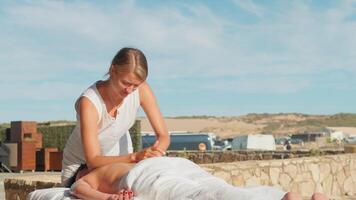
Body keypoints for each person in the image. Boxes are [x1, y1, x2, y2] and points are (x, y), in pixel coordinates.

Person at [61, 47, 170, 188]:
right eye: (125, 83)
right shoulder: (89, 103)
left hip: (122, 161)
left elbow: (163, 136)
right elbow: (93, 161)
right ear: (112, 70)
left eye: (135, 86)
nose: (129, 90)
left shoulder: (142, 89)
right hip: (81, 167)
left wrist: (156, 154)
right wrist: (134, 158)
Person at [71, 157, 329, 200]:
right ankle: (277, 195)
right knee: (217, 187)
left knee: (198, 195)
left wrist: (109, 197)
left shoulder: (88, 175)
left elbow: (80, 189)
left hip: (150, 173)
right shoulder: (116, 164)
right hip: (173, 163)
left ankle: (281, 198)